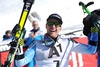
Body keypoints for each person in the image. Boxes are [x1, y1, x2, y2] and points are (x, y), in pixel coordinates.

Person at [6, 13, 98, 67]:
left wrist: (94, 29)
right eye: (50, 23)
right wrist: (19, 43)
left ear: (60, 27)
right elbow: (20, 63)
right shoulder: (37, 44)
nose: (53, 26)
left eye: (56, 24)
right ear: (46, 26)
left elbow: (91, 50)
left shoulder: (67, 42)